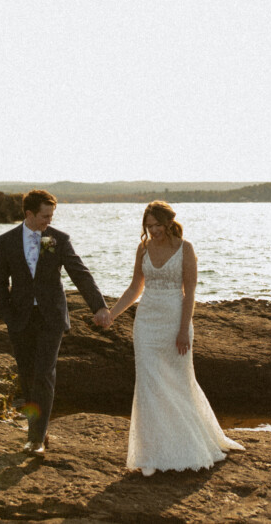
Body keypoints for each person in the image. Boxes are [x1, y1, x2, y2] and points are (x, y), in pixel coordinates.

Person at [100, 201, 243, 475]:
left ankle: (187, 445)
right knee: (148, 386)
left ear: (168, 223)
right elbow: (134, 288)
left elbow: (189, 292)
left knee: (178, 384)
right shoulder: (143, 248)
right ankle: (152, 455)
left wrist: (182, 329)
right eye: (148, 226)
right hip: (146, 324)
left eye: (157, 225)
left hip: (174, 321)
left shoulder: (185, 248)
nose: (153, 231)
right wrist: (112, 314)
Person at [0, 189, 111, 455]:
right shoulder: (7, 241)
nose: (49, 221)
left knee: (44, 373)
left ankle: (35, 439)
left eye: (51, 216)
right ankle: (39, 429)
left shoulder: (57, 239)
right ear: (29, 214)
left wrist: (99, 306)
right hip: (20, 319)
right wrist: (7, 314)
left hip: (51, 318)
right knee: (27, 375)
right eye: (45, 216)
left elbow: (80, 273)